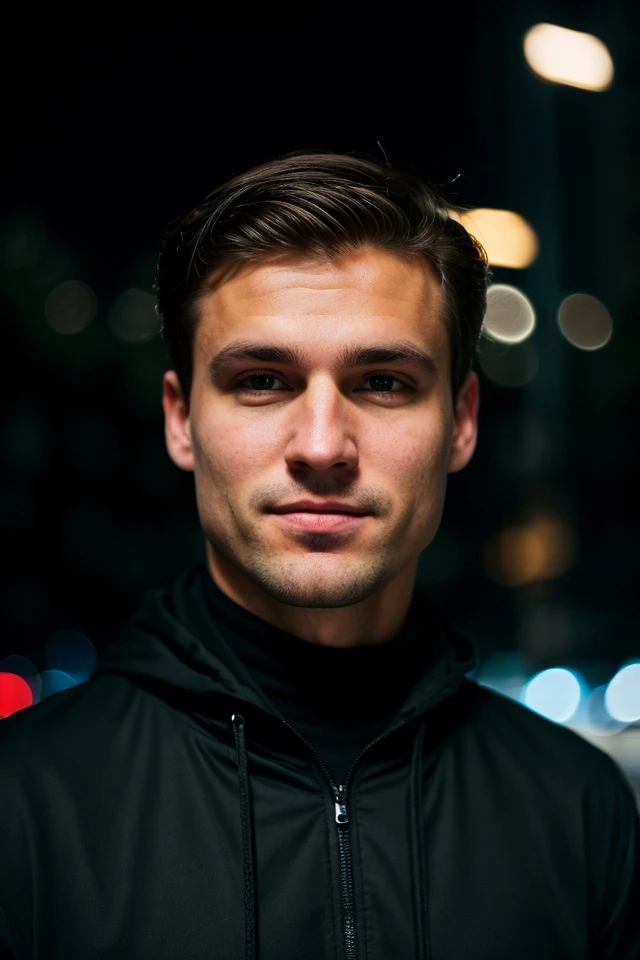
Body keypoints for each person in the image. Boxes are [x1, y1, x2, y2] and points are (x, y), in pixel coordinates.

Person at [1, 150, 638, 960]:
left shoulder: (578, 810)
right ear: (180, 420)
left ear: (463, 421)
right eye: (263, 380)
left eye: (383, 383)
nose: (322, 445)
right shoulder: (25, 803)